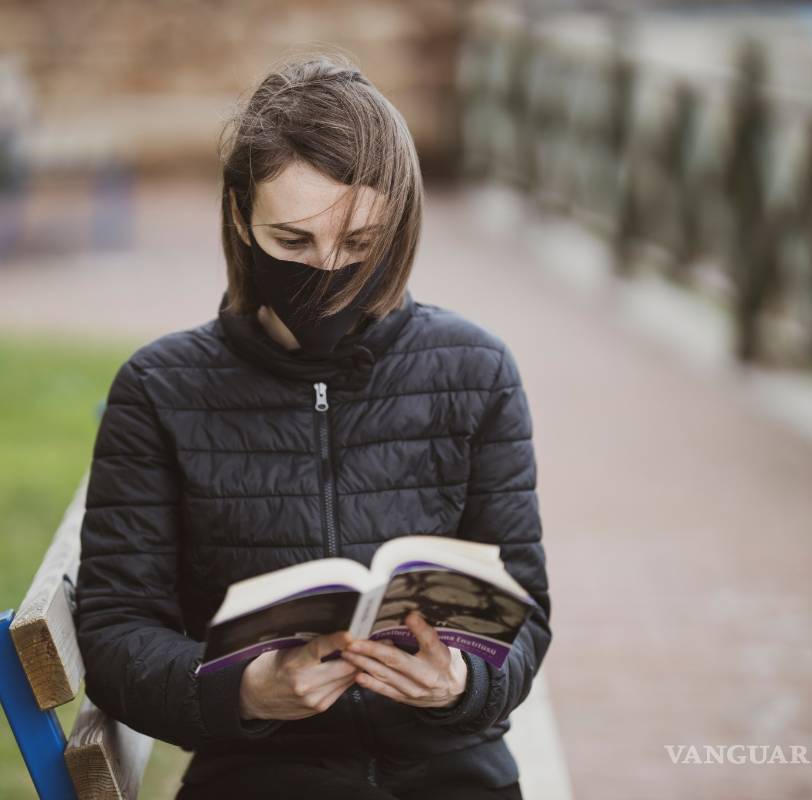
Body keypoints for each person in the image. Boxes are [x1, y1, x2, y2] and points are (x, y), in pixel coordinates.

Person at [74, 52, 552, 800]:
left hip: (451, 772)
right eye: (293, 243)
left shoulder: (475, 370)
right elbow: (115, 626)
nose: (327, 270)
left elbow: (523, 607)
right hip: (262, 774)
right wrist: (241, 691)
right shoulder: (161, 388)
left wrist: (462, 682)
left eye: (361, 245)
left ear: (399, 225)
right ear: (240, 217)